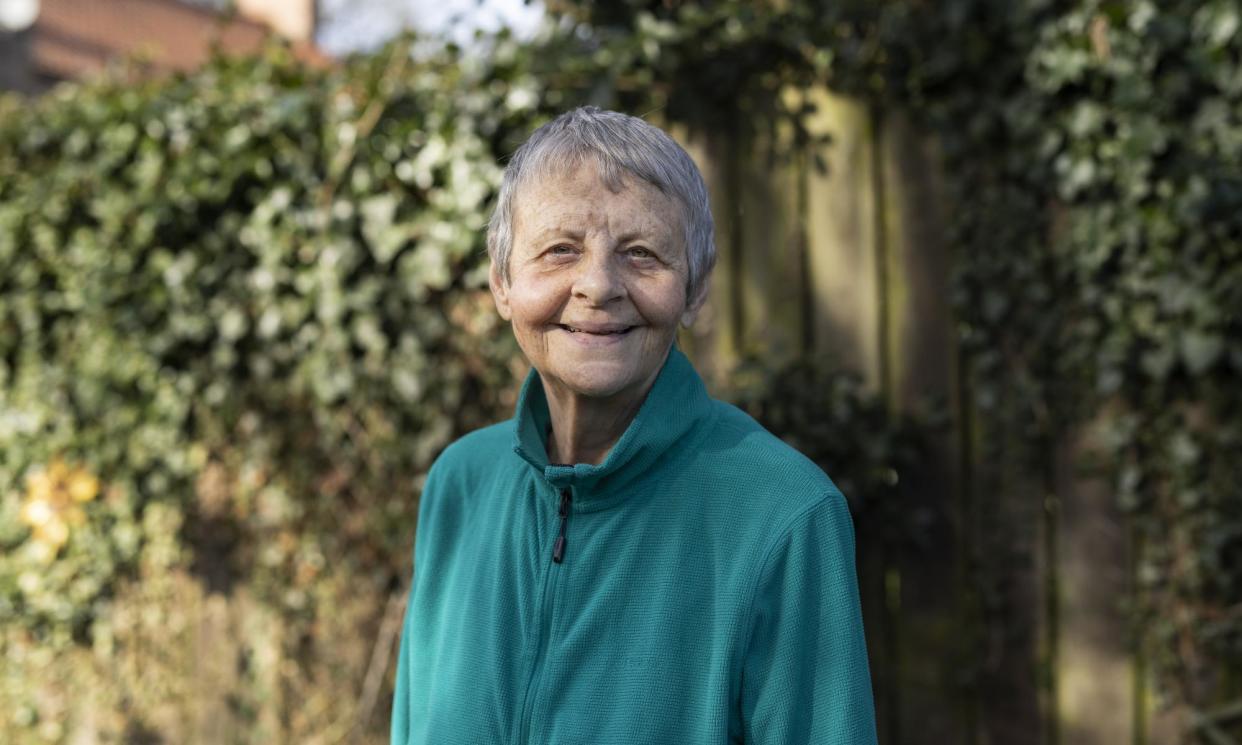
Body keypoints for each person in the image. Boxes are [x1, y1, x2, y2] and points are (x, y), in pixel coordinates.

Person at [390, 106, 878, 744]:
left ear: (695, 290)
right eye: (560, 249)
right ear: (502, 281)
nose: (598, 285)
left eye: (642, 254)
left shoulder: (785, 513)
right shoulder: (460, 485)